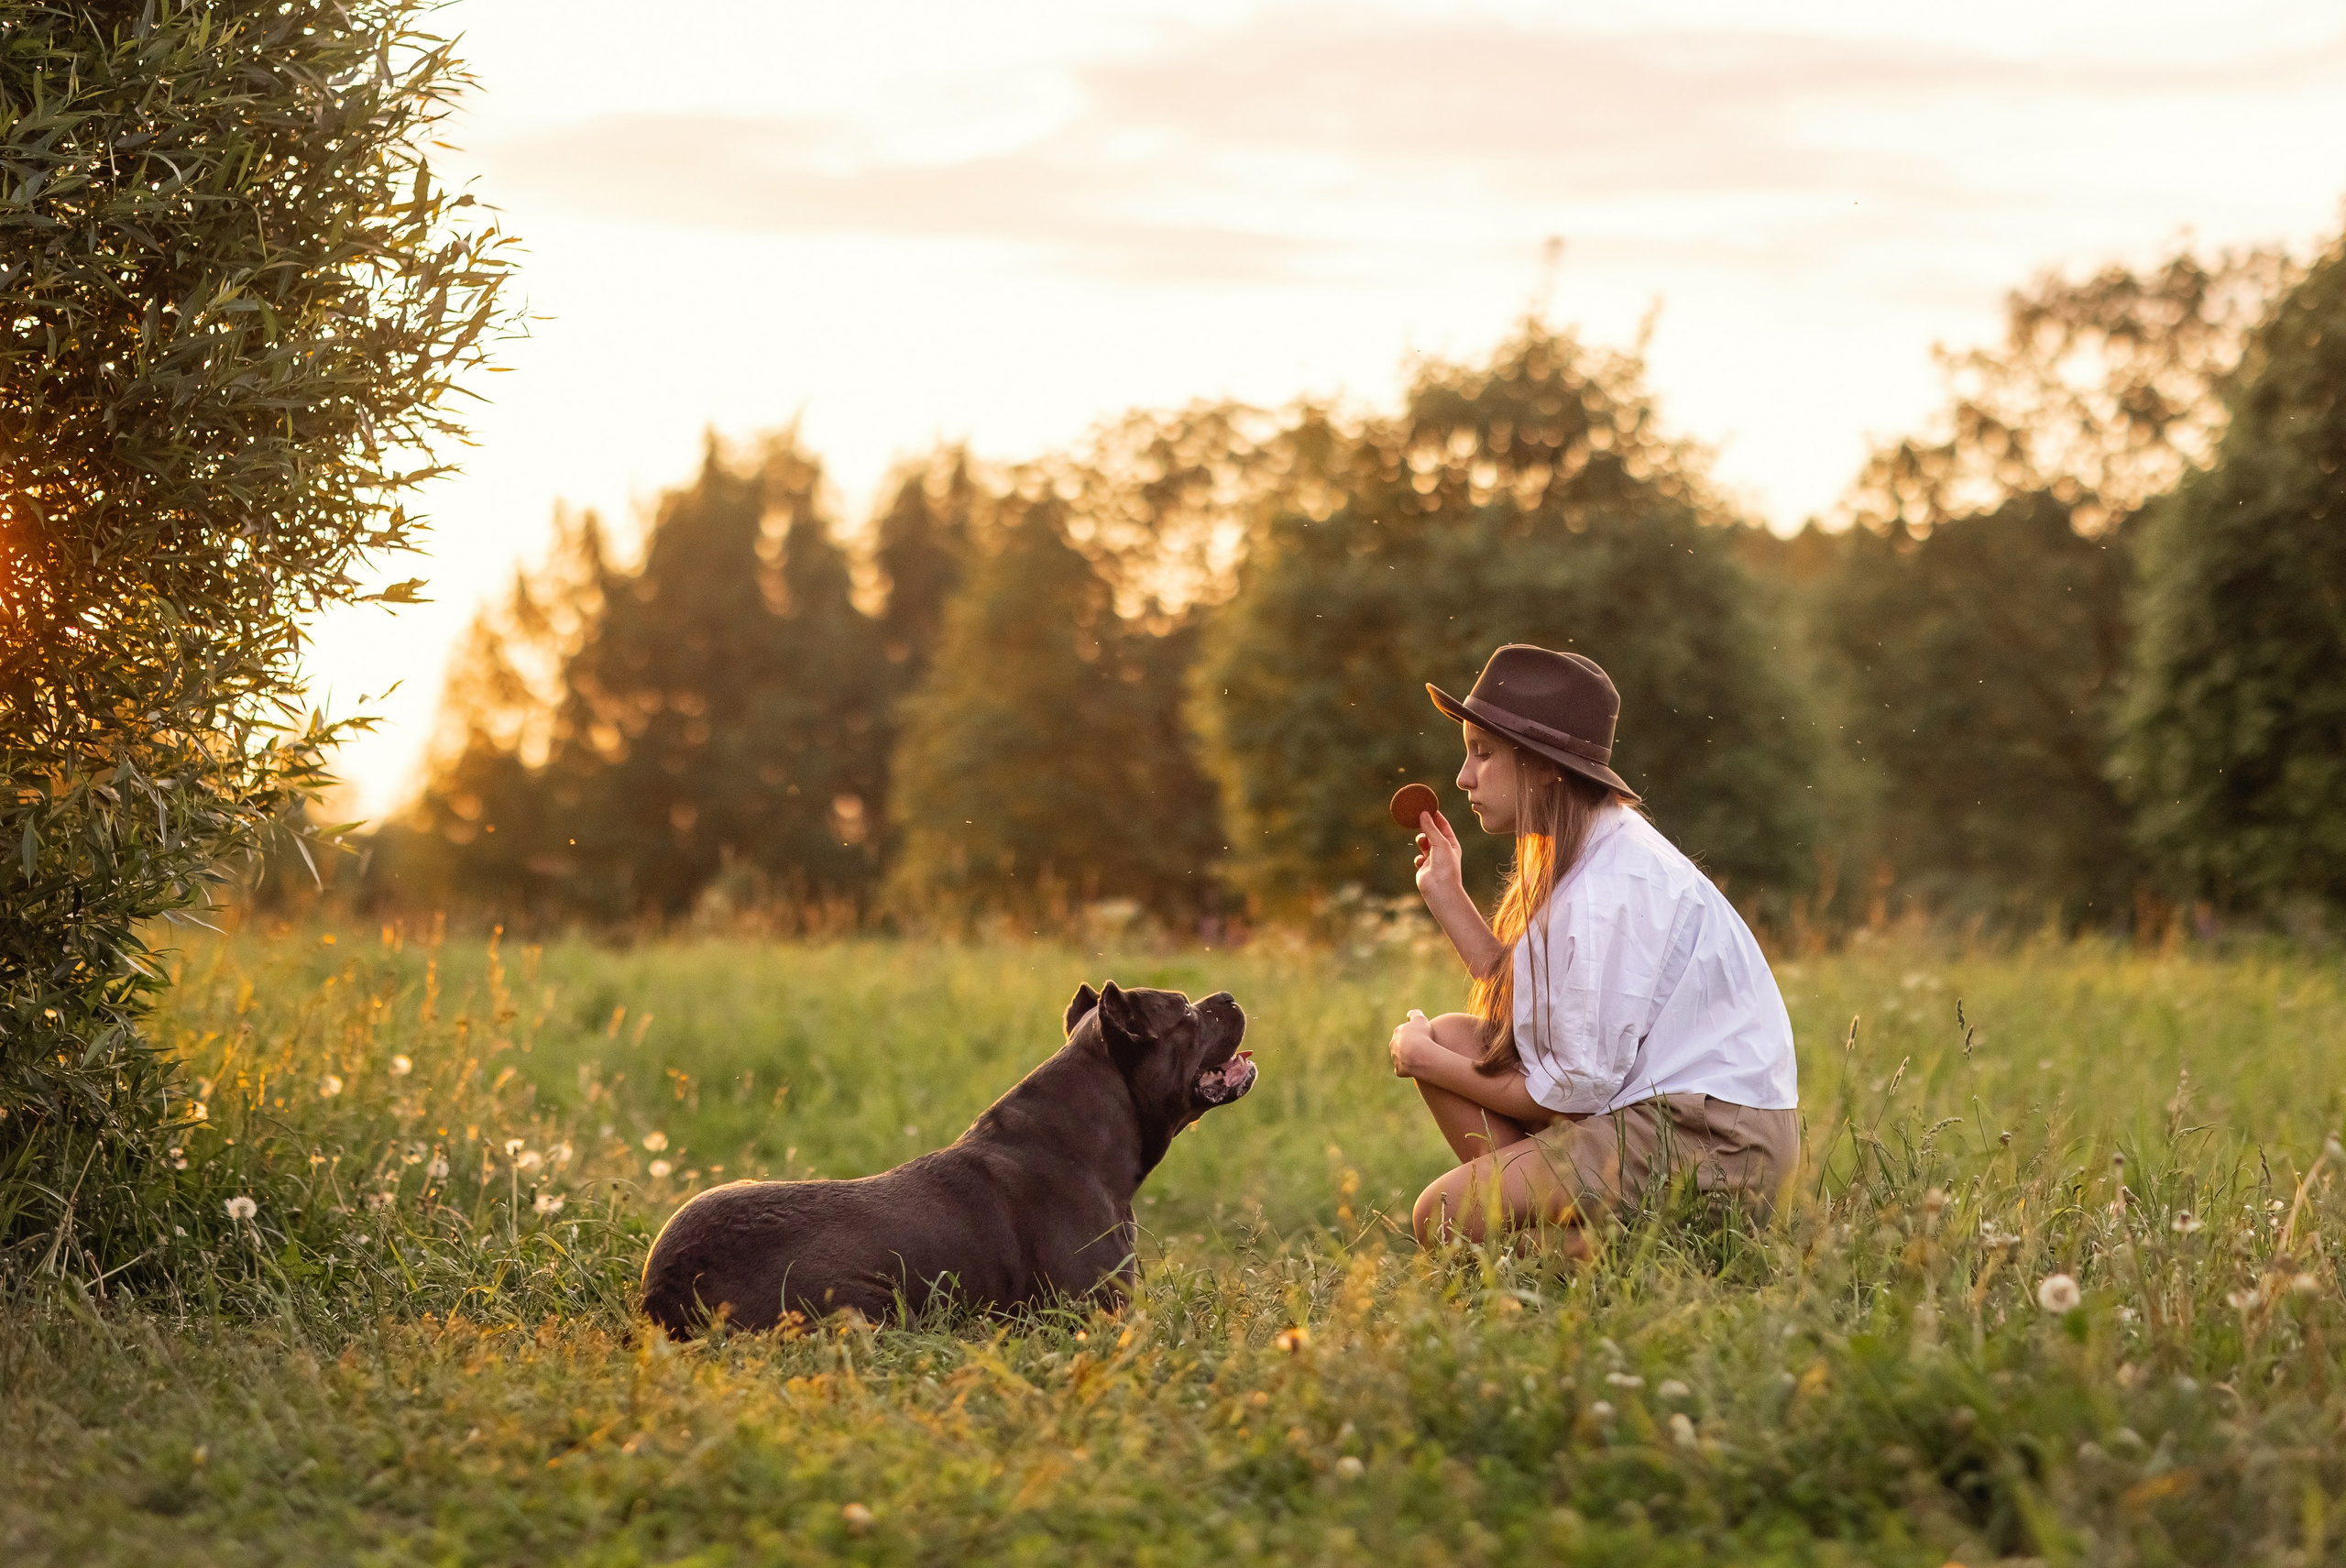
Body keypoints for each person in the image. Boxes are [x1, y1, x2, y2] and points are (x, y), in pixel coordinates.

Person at [1387, 644, 1799, 1247]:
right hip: (1667, 1120)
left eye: (1483, 752)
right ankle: (1567, 1246)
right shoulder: (1588, 851)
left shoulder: (1605, 888)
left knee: (1443, 1214)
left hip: (1716, 1143)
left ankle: (1608, 1253)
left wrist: (1424, 1060)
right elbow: (1527, 1008)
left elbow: (1573, 1093)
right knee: (1454, 1035)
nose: (1463, 776)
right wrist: (1447, 895)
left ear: (1543, 766)